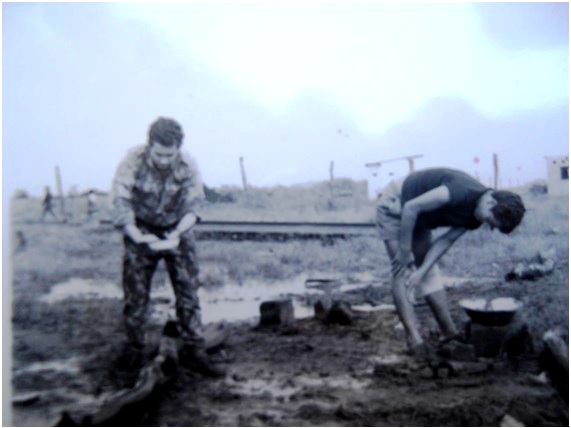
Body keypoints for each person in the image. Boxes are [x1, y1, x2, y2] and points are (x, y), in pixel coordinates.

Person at [111, 117, 224, 377]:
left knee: (188, 292)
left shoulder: (188, 165)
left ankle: (194, 349)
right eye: (159, 155)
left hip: (177, 227)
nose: (164, 161)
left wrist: (177, 234)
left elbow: (195, 207)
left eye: (169, 155)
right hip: (141, 228)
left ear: (178, 149)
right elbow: (120, 203)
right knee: (135, 295)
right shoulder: (131, 162)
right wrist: (137, 236)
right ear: (149, 146)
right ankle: (134, 350)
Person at [375, 167, 526, 359]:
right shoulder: (460, 191)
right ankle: (414, 339)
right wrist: (404, 251)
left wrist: (422, 271)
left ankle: (449, 333)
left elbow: (445, 241)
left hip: (420, 217)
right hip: (395, 204)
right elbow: (410, 207)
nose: (487, 225)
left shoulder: (477, 214)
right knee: (401, 269)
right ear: (490, 202)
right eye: (490, 220)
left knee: (428, 271)